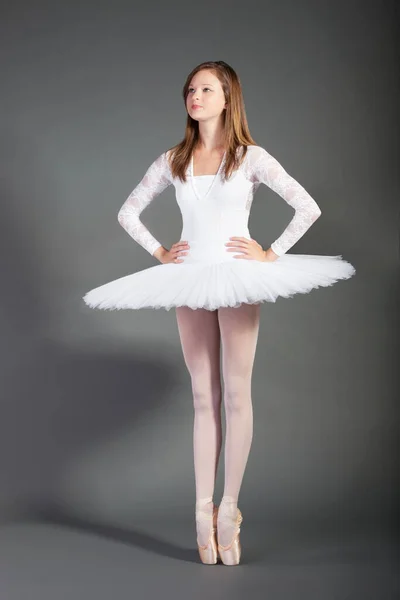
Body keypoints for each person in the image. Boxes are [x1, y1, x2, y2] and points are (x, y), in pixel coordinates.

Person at [83, 60, 355, 566]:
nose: (195, 96)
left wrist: (271, 251)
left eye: (206, 89)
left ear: (228, 97)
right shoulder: (174, 160)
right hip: (190, 277)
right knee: (202, 397)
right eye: (190, 89)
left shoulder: (249, 157)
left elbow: (306, 206)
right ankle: (200, 510)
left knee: (235, 393)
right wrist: (162, 252)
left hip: (235, 276)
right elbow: (127, 212)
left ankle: (229, 508)